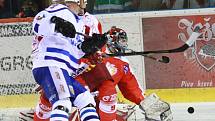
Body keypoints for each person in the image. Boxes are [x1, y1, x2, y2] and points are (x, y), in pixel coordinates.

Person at [31, 0, 107, 120]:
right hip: (51, 63)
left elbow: (76, 51)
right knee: (62, 102)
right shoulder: (60, 9)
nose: (85, 3)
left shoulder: (78, 22)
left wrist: (88, 46)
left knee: (86, 100)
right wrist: (57, 24)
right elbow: (37, 23)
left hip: (62, 69)